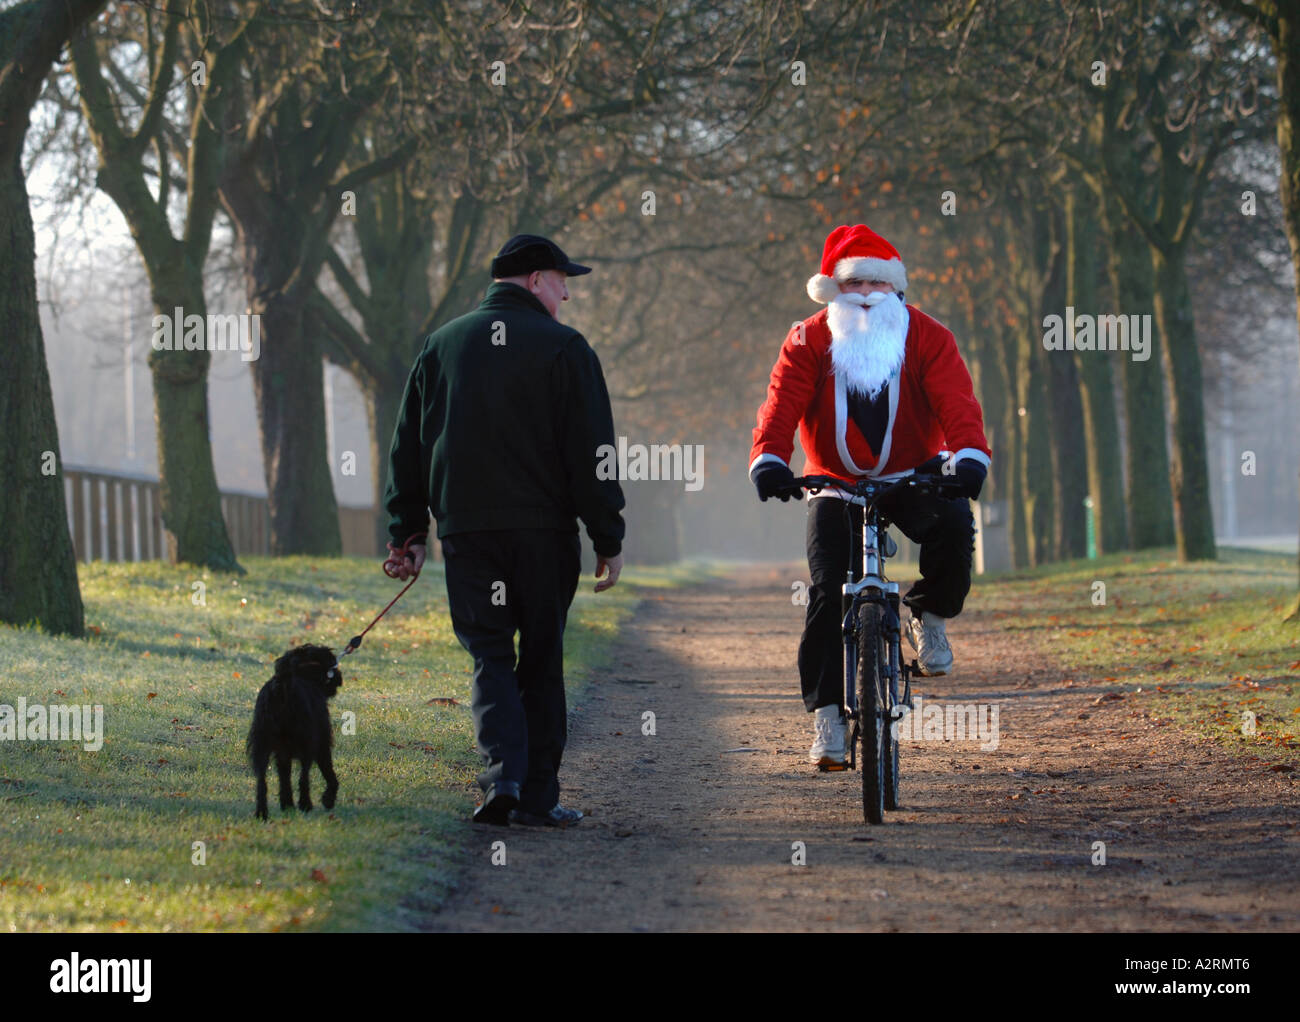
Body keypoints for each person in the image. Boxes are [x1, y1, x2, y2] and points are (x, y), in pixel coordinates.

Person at [383, 233, 626, 825]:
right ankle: (539, 796)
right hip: (544, 535)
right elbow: (593, 453)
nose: (567, 294)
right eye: (562, 281)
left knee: (490, 655)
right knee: (541, 658)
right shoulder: (565, 348)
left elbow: (408, 449)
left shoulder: (440, 346)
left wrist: (408, 532)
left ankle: (501, 780)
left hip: (467, 534)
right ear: (536, 279)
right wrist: (608, 536)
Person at [748, 223, 991, 770]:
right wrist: (770, 459)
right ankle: (829, 719)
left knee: (954, 525)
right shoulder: (808, 338)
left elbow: (957, 401)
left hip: (913, 473)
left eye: (874, 284)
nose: (863, 294)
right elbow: (781, 402)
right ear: (831, 289)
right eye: (851, 282)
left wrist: (970, 455)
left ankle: (928, 615)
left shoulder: (928, 336)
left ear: (896, 291)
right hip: (831, 480)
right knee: (824, 593)